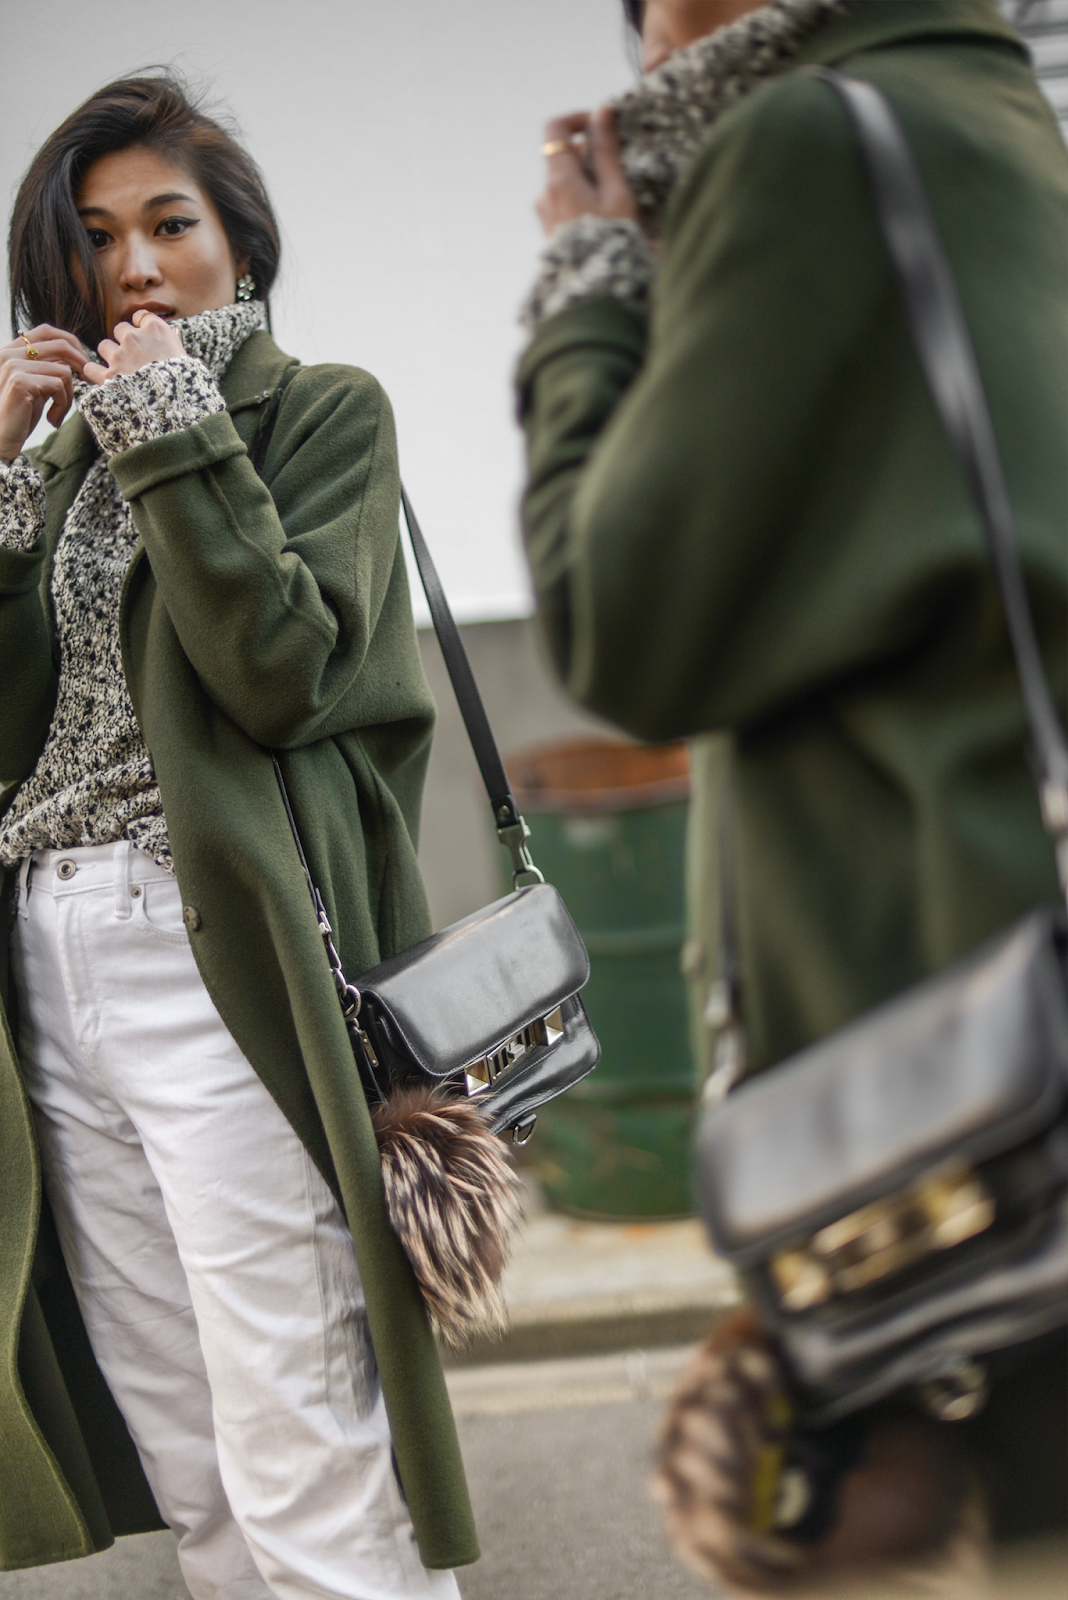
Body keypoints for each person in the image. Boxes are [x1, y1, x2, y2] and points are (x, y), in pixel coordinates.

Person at [516, 0, 1067, 1592]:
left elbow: (622, 616)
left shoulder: (809, 143)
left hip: (988, 1114)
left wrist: (589, 292)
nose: (641, 52)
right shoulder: (984, 118)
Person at [0, 72, 476, 1600]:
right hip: (52, 951)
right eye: (94, 238)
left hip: (210, 950)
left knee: (296, 1426)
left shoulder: (319, 412)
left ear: (242, 248)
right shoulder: (62, 467)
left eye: (169, 224)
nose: (132, 264)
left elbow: (281, 672)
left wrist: (165, 432)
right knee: (186, 1443)